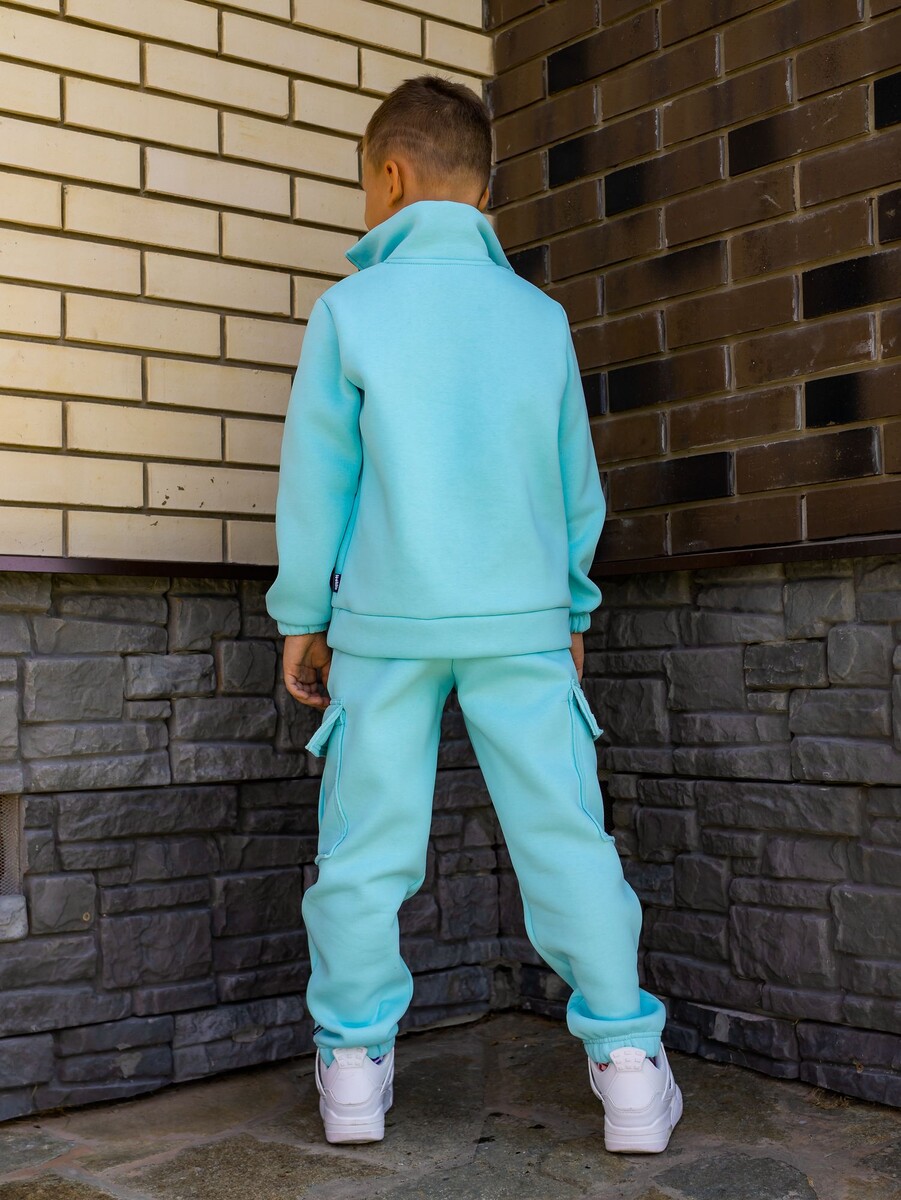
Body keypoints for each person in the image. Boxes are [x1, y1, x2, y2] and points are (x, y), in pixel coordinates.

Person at [265, 74, 683, 1154]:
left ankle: (351, 1070)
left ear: (390, 176)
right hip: (521, 622)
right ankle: (628, 1070)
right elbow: (573, 482)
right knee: (565, 838)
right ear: (484, 190)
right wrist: (573, 603)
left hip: (384, 626)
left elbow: (319, 480)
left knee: (364, 851)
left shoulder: (350, 313)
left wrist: (303, 615)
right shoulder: (538, 319)